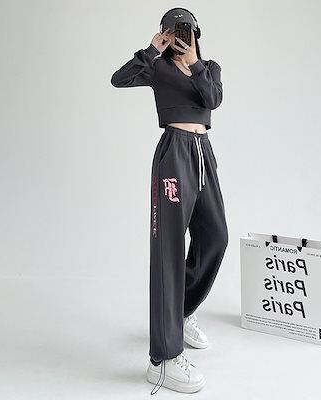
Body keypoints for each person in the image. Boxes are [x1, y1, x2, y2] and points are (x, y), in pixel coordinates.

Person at [111, 8, 228, 394]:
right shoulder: (157, 67)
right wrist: (151, 49)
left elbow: (213, 99)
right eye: (171, 30)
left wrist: (193, 63)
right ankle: (163, 359)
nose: (179, 36)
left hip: (203, 153)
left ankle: (180, 313)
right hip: (174, 152)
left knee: (216, 237)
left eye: (185, 30)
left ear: (196, 33)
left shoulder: (208, 68)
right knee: (169, 249)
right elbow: (119, 79)